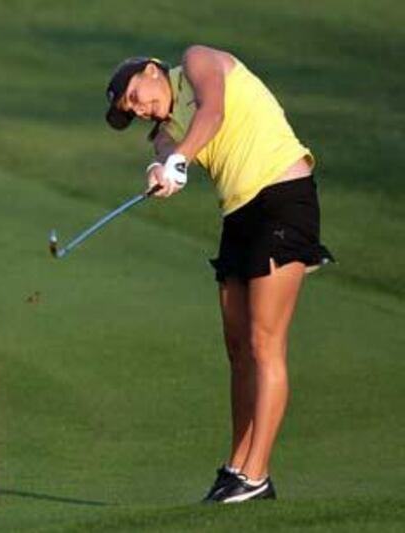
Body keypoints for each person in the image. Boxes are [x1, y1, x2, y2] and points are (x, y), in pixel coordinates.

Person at [104, 45, 333, 503]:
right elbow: (165, 151)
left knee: (265, 342)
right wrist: (159, 169)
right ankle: (236, 467)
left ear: (152, 71)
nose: (140, 108)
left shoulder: (196, 62)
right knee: (237, 346)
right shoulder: (166, 130)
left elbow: (213, 112)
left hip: (284, 197)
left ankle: (257, 474)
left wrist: (181, 159)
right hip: (239, 214)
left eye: (135, 95)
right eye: (131, 110)